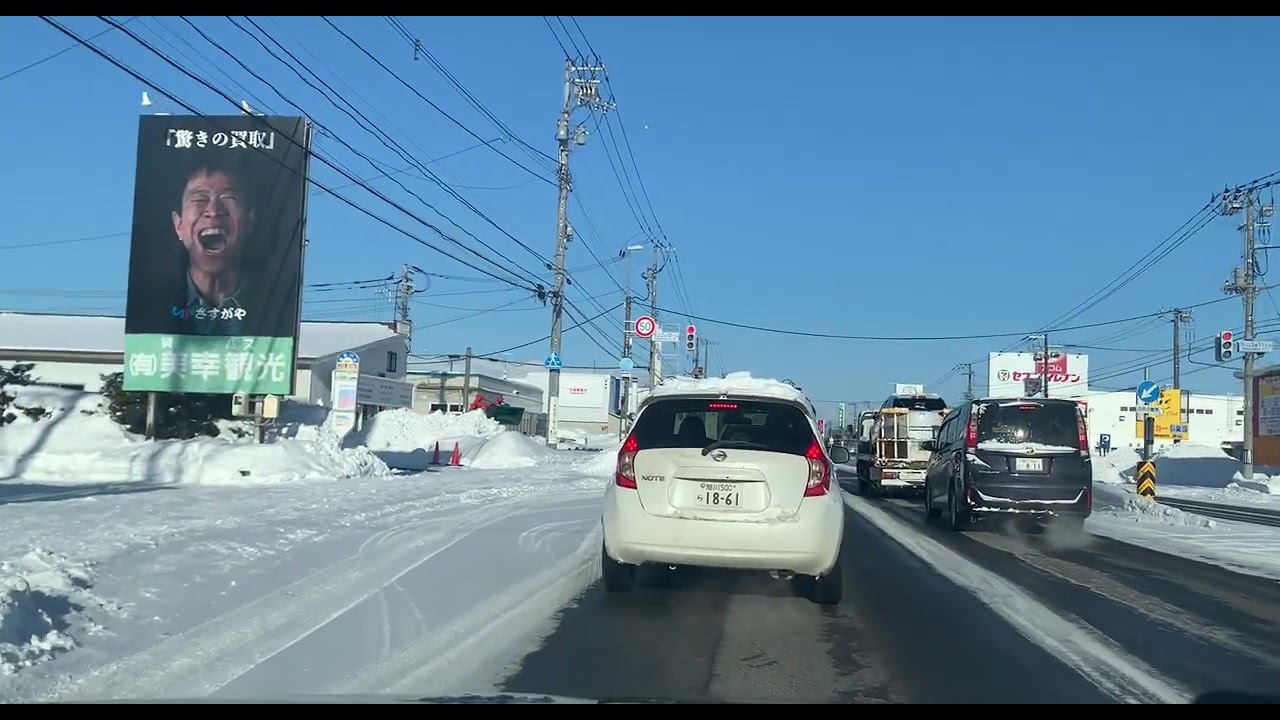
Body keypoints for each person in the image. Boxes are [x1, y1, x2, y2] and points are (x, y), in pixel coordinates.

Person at [171, 158, 254, 337]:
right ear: (179, 225)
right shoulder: (151, 307)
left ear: (249, 222)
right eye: (199, 199)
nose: (214, 211)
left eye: (228, 197)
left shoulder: (274, 307)